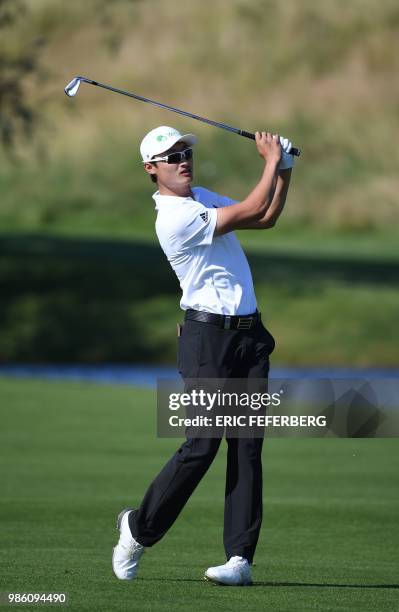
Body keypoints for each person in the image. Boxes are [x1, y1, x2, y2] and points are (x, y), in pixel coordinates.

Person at [112, 125, 294, 585]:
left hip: (249, 337)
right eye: (171, 157)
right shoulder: (173, 217)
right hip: (207, 340)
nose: (182, 160)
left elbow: (265, 217)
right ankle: (138, 528)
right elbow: (252, 206)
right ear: (151, 170)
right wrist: (269, 160)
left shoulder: (202, 196)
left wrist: (285, 169)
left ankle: (240, 560)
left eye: (185, 152)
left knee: (248, 448)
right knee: (202, 445)